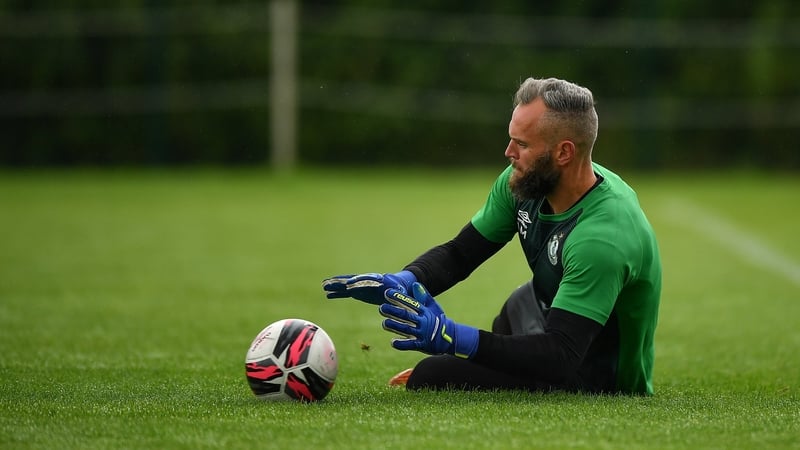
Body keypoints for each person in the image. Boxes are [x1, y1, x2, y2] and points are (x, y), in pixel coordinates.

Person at [322, 77, 662, 395]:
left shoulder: (602, 238)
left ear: (563, 153)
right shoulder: (526, 181)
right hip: (552, 316)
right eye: (511, 137)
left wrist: (453, 338)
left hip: (598, 368)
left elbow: (561, 353)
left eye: (522, 144)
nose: (508, 152)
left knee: (432, 375)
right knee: (517, 305)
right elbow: (461, 253)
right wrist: (405, 280)